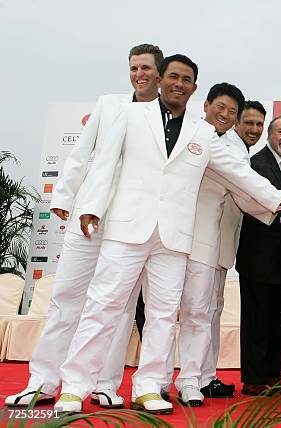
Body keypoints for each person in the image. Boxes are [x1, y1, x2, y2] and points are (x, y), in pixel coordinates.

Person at [53, 55, 281, 414]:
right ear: (160, 80)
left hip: (174, 238)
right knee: (103, 306)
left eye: (186, 79)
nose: (178, 83)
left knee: (162, 314)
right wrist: (91, 207)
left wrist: (279, 197)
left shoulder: (203, 133)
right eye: (172, 76)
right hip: (126, 230)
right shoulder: (129, 116)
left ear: (194, 88)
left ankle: (149, 386)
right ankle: (75, 385)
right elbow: (106, 162)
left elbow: (240, 175)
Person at [4, 43, 164, 409]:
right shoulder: (109, 104)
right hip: (88, 219)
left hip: (130, 225)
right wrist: (63, 197)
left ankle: (104, 385)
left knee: (120, 308)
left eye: (146, 68)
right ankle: (42, 382)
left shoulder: (167, 116)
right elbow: (81, 153)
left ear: (159, 73)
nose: (139, 74)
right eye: (134, 67)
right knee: (65, 300)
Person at [171, 86, 272, 405]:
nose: (226, 116)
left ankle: (203, 376)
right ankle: (187, 379)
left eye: (233, 112)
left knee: (211, 310)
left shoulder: (233, 145)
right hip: (197, 237)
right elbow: (243, 184)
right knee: (195, 311)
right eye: (222, 109)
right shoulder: (203, 137)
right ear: (207, 105)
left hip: (221, 242)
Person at [237, 114, 281, 395]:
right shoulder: (254, 164)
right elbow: (251, 204)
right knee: (257, 321)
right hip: (258, 257)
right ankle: (253, 379)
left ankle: (272, 375)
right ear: (270, 133)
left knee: (277, 321)